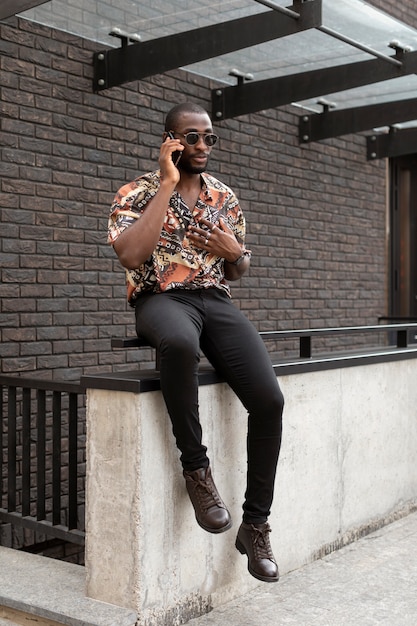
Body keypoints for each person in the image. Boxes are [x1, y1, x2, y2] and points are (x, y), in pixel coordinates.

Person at [107, 102, 284, 583]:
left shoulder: (224, 197)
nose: (202, 146)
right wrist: (166, 185)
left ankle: (256, 524)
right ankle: (197, 470)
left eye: (209, 138)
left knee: (269, 400)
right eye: (192, 137)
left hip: (215, 300)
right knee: (181, 345)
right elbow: (129, 254)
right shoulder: (136, 192)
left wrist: (237, 253)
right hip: (161, 298)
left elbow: (236, 268)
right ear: (170, 140)